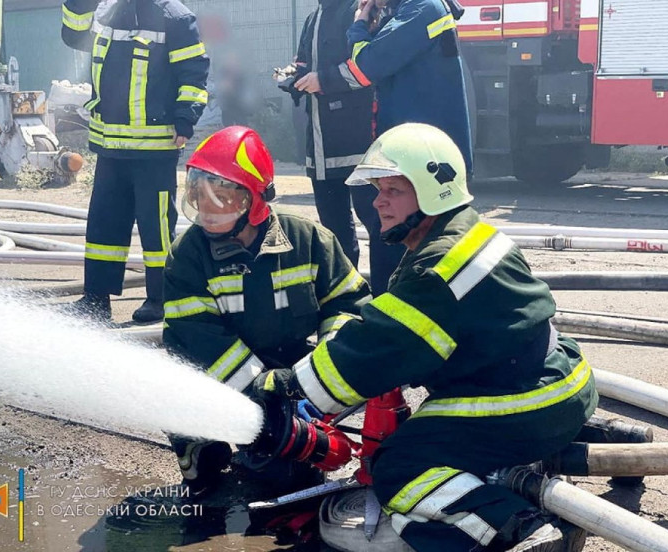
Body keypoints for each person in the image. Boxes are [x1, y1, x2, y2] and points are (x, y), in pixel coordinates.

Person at [253, 123, 598, 552]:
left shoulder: (437, 267)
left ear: (435, 191)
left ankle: (519, 527)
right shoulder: (464, 231)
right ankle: (549, 457)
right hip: (561, 382)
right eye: (378, 188)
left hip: (527, 403)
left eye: (393, 190)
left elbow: (378, 348)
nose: (377, 201)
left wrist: (290, 386)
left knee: (400, 468)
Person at [161, 125, 371, 494]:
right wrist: (263, 388)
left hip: (289, 367)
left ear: (255, 200)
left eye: (221, 198)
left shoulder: (309, 241)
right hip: (214, 375)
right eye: (199, 195)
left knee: (284, 478)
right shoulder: (189, 255)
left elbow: (348, 305)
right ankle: (197, 446)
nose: (207, 210)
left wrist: (318, 377)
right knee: (202, 465)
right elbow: (200, 340)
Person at [61, 0, 209, 323]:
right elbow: (73, 36)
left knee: (156, 231)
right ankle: (96, 299)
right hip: (109, 146)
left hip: (154, 149)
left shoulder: (175, 17)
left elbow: (194, 75)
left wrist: (185, 118)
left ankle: (161, 299)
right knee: (103, 225)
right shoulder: (105, 10)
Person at [286, 0, 404, 295]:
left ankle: (384, 296)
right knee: (333, 232)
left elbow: (367, 67)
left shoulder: (358, 10)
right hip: (321, 145)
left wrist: (322, 80)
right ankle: (345, 299)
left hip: (358, 142)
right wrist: (294, 76)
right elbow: (304, 60)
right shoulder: (315, 17)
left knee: (379, 223)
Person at [339, 0, 474, 175]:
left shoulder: (421, 9)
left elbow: (368, 64)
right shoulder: (414, 10)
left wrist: (359, 26)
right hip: (420, 153)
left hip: (425, 159)